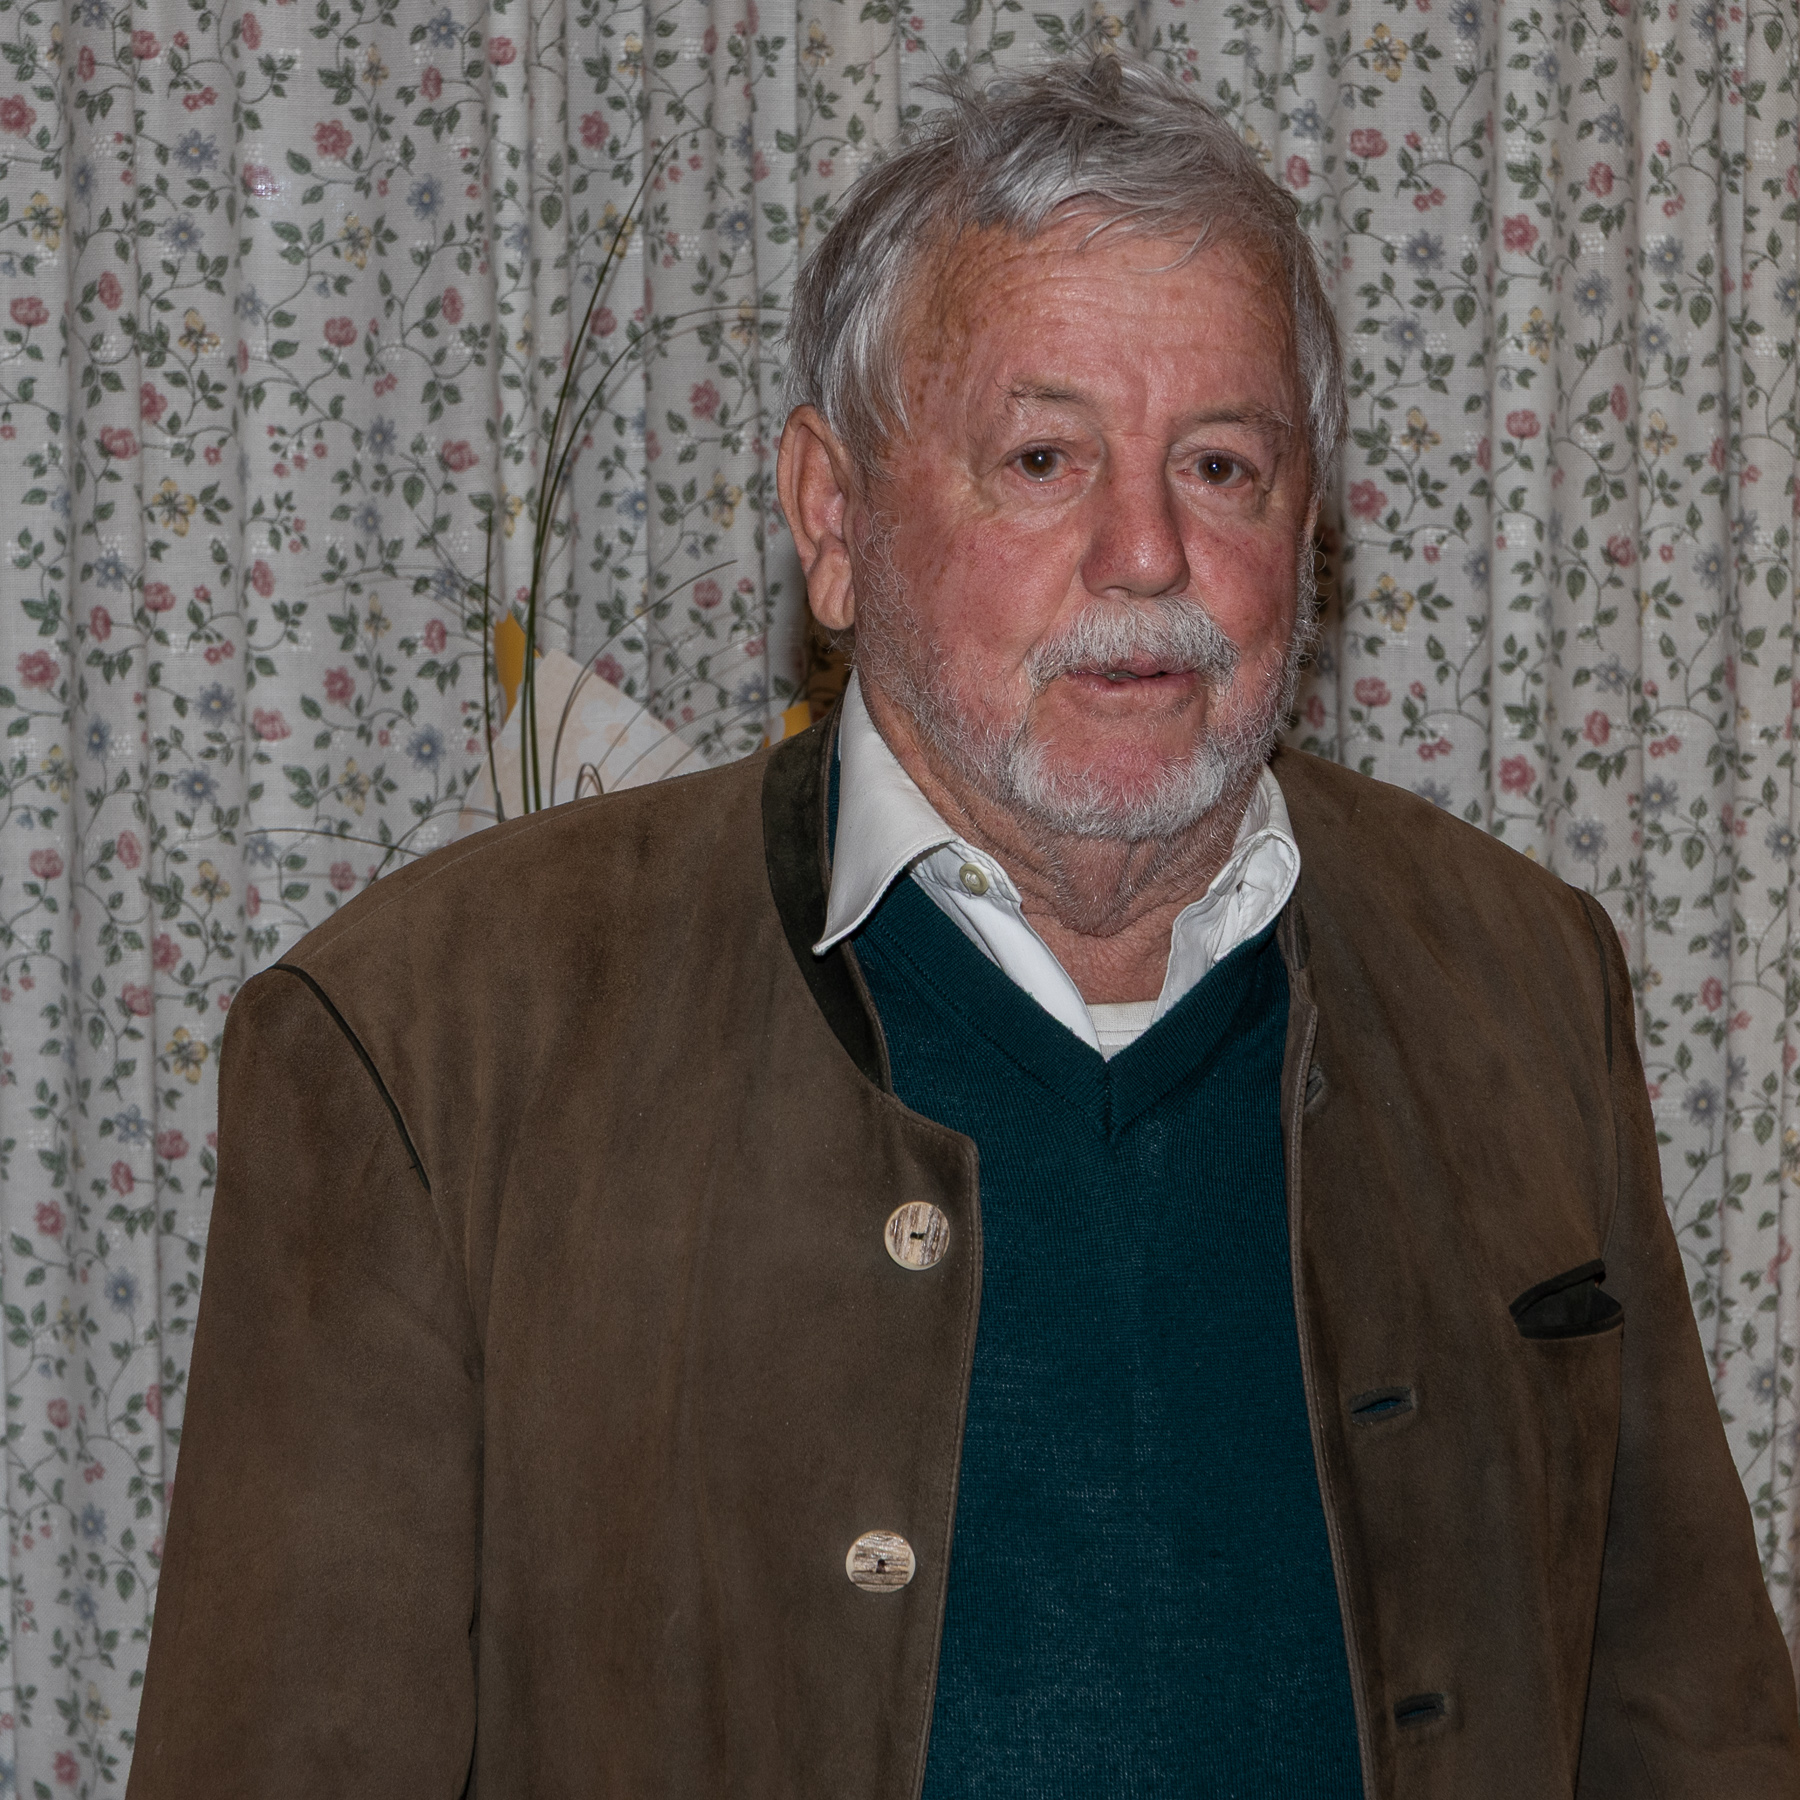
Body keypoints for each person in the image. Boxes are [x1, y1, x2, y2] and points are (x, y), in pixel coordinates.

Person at [126, 53, 1800, 1800]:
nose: (1145, 552)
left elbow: (1692, 1730)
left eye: (1222, 463)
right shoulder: (428, 1046)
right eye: (1043, 457)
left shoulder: (1524, 983)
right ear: (833, 517)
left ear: (1309, 526)